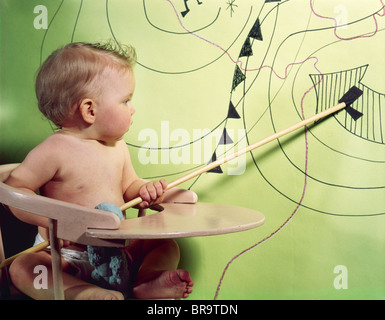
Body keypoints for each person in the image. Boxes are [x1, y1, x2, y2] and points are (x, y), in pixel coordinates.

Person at [4, 41, 194, 300]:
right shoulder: (55, 150)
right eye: (126, 100)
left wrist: (145, 189)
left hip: (118, 251)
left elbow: (129, 186)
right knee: (24, 268)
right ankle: (85, 293)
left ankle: (146, 281)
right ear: (90, 110)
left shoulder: (117, 146)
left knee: (164, 244)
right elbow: (14, 192)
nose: (133, 108)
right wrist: (56, 222)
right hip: (66, 255)